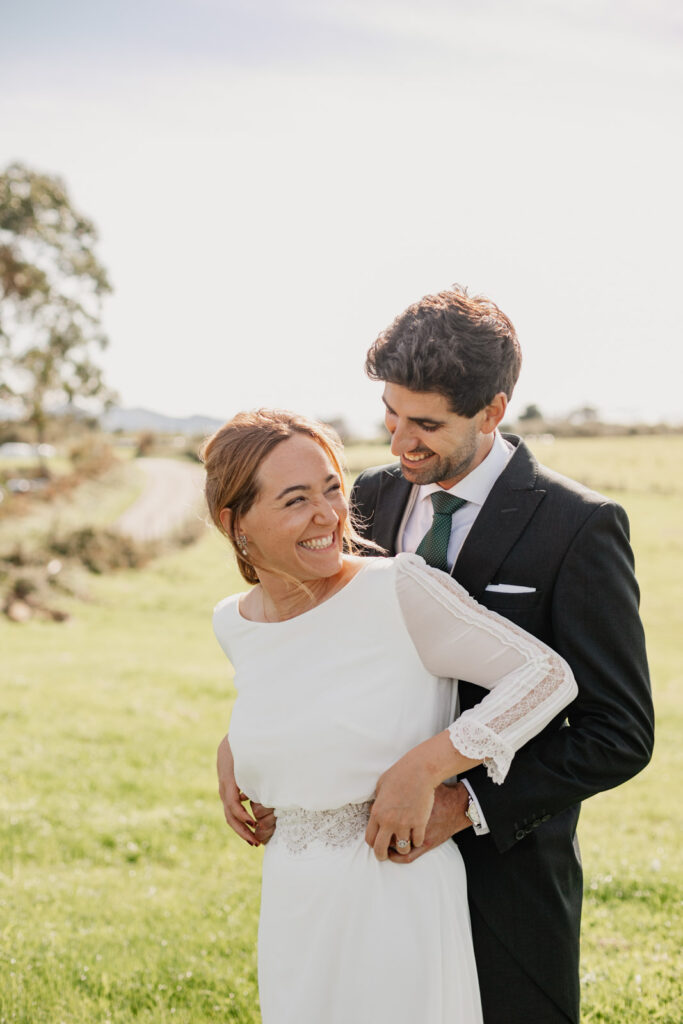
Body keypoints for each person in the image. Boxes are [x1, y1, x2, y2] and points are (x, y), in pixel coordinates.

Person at [204, 408, 578, 1024]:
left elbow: (544, 678)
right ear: (235, 523)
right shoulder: (232, 621)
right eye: (296, 500)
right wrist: (236, 746)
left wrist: (428, 767)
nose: (328, 515)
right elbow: (305, 692)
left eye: (331, 488)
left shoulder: (397, 590)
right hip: (294, 904)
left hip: (394, 892)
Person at [348, 284, 654, 1024]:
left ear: (493, 410)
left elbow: (619, 734)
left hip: (509, 877)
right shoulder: (369, 498)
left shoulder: (578, 527)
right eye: (389, 414)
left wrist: (464, 804)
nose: (398, 442)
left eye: (425, 424)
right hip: (370, 858)